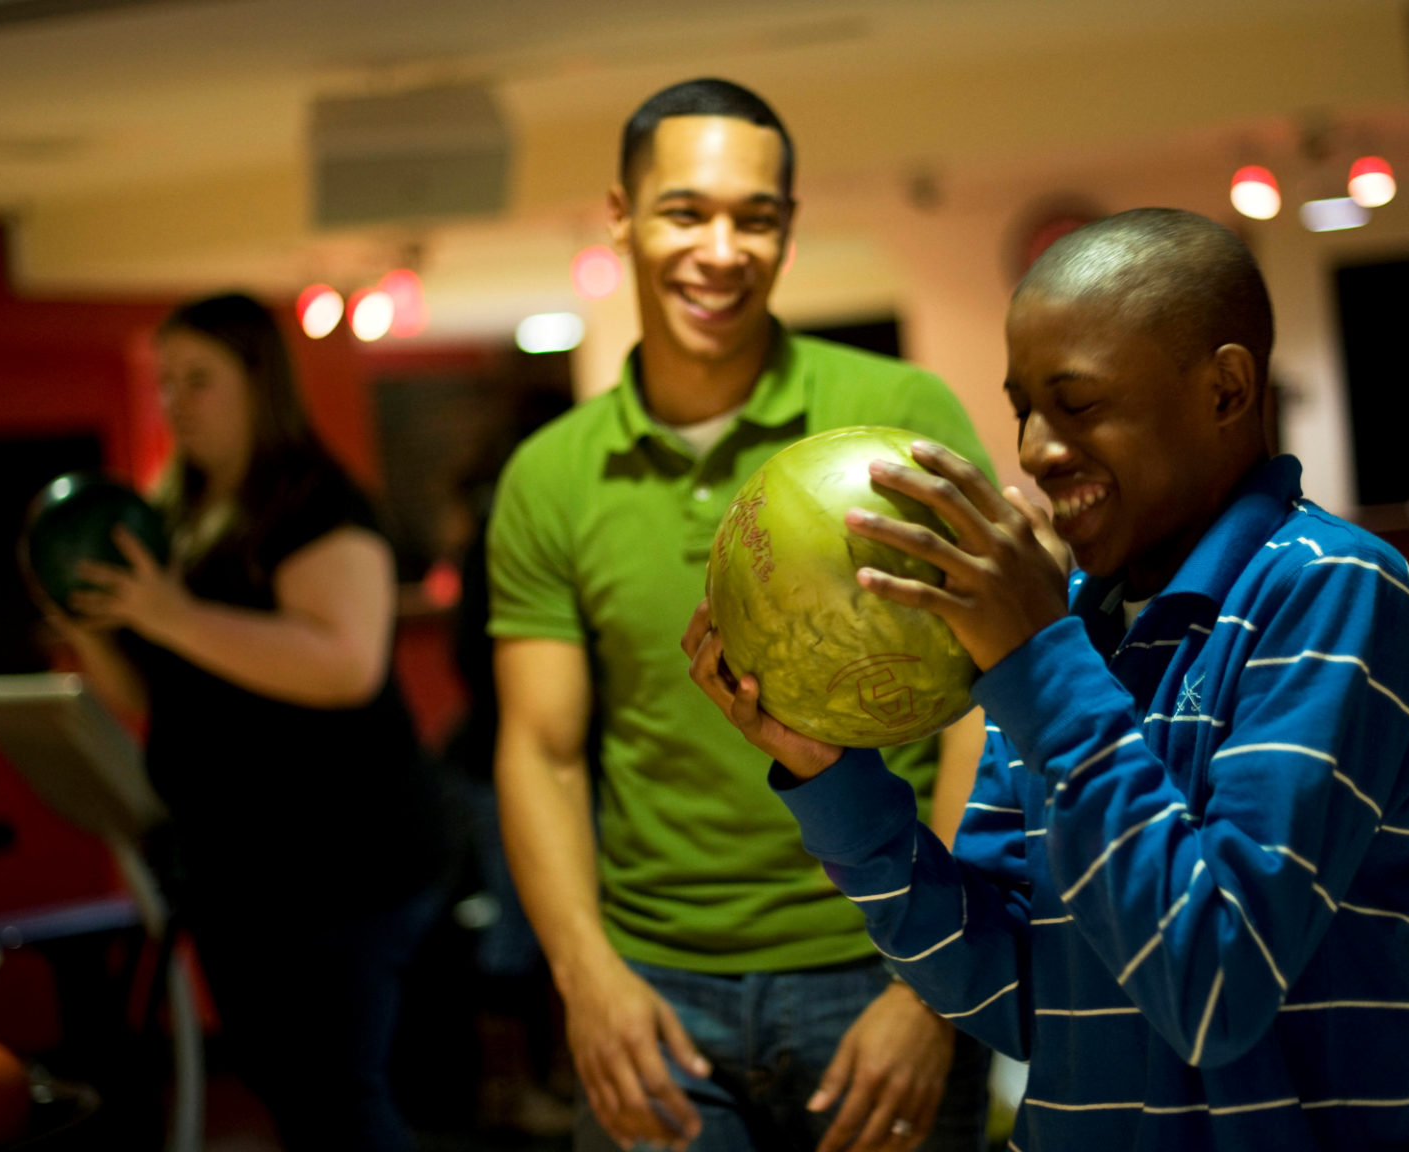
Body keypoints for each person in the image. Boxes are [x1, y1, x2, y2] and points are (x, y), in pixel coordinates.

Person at [687, 209, 1409, 1151]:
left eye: (1078, 404)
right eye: (1024, 410)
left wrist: (1040, 669)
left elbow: (1216, 986)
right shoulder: (1069, 623)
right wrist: (835, 782)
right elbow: (1018, 997)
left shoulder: (1332, 590)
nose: (1034, 450)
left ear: (1224, 389)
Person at [488, 78, 993, 1152]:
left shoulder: (896, 417)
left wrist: (937, 984)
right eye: (684, 212)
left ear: (786, 231)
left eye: (753, 219)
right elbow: (540, 750)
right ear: (620, 217)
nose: (720, 251)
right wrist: (584, 980)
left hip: (880, 962)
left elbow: (987, 711)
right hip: (654, 994)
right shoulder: (548, 475)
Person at [52, 294, 447, 1152]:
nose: (175, 402)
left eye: (199, 380)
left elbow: (345, 666)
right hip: (236, 866)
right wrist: (90, 626)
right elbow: (158, 697)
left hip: (343, 861)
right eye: (166, 382)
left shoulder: (317, 505)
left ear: (259, 385)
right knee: (290, 1095)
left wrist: (171, 615)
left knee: (338, 1102)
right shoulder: (175, 514)